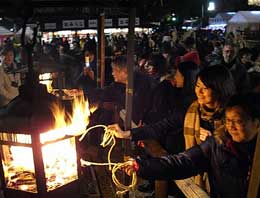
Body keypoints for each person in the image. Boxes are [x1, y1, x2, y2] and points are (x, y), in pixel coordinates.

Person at [117, 92, 260, 198]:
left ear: (257, 123)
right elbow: (183, 161)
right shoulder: (217, 144)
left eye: (238, 121)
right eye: (228, 120)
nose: (231, 126)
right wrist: (141, 166)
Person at [184, 65, 236, 191]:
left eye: (205, 88)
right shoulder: (194, 109)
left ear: (219, 89)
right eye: (197, 86)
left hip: (226, 182)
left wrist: (213, 141)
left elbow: (239, 157)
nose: (199, 91)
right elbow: (166, 124)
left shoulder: (234, 114)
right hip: (200, 174)